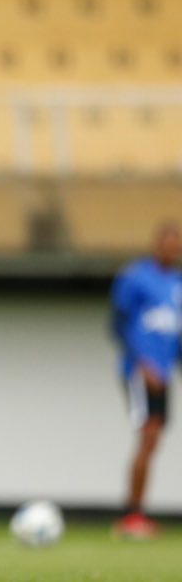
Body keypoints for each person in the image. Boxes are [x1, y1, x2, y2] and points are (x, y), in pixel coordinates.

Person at [110, 221, 182, 539]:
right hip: (142, 372)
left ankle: (136, 513)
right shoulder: (136, 276)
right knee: (148, 435)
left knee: (154, 438)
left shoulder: (178, 283)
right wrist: (143, 363)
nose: (174, 247)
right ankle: (131, 515)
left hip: (164, 373)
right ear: (158, 243)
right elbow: (117, 324)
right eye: (170, 240)